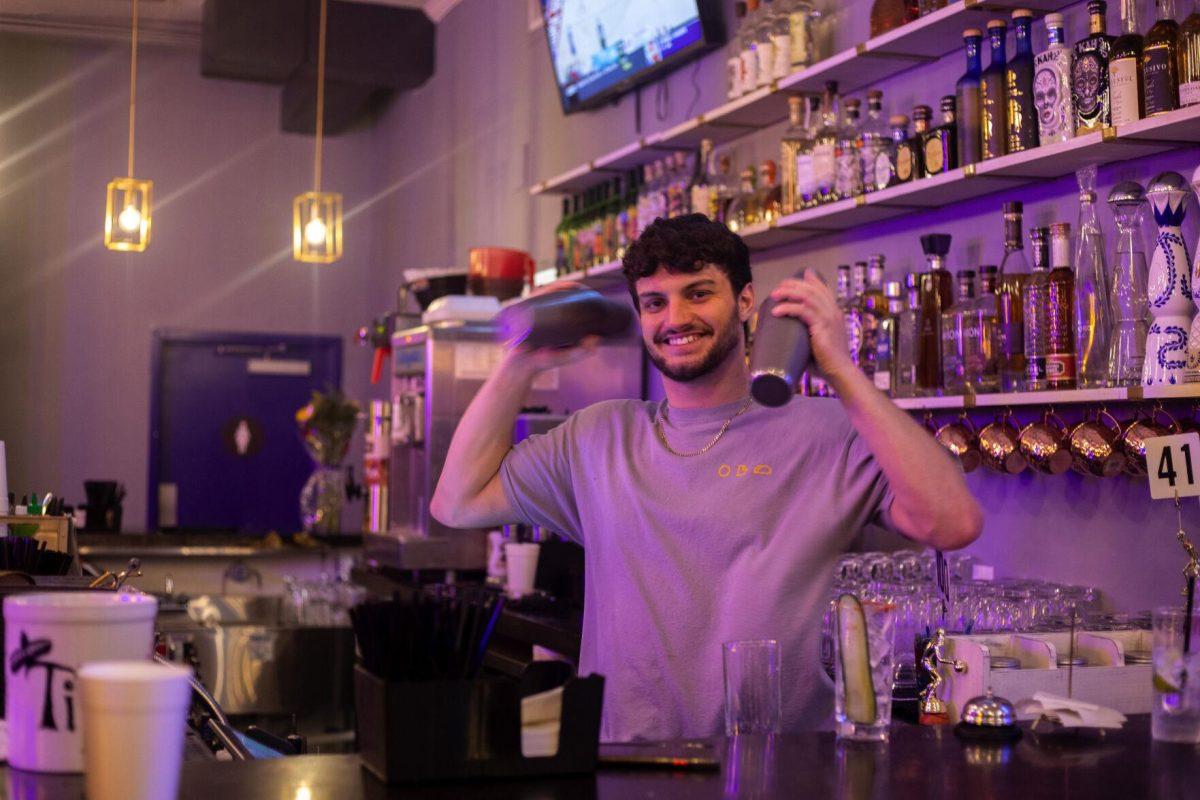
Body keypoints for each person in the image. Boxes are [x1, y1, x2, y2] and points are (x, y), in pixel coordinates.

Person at [431, 213, 983, 742]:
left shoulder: (828, 432)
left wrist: (839, 367)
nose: (674, 319)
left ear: (746, 302)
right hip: (632, 767)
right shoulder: (598, 438)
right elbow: (457, 504)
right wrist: (520, 362)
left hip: (783, 767)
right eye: (654, 303)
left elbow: (953, 523)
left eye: (698, 293)